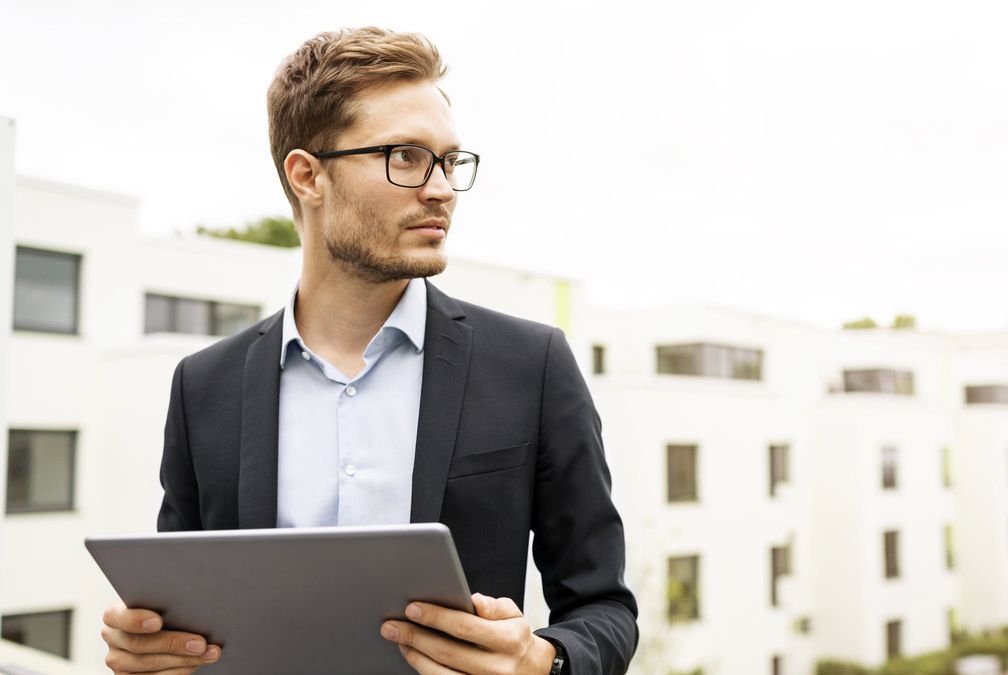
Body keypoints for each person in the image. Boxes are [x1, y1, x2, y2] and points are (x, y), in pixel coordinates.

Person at [98, 27, 637, 675]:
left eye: (448, 160)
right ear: (307, 176)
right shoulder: (202, 386)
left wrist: (543, 660)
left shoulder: (533, 364)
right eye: (406, 157)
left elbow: (605, 608)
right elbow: (182, 618)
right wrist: (153, 650)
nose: (441, 188)